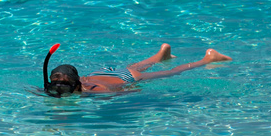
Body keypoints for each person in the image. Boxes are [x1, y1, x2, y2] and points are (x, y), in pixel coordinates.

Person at [41, 43, 232, 97]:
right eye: (57, 88)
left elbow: (116, 90)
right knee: (134, 65)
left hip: (124, 78)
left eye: (64, 89)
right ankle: (160, 55)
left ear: (77, 85)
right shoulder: (55, 87)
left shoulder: (95, 91)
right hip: (103, 71)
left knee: (170, 73)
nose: (59, 92)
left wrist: (130, 91)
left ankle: (208, 58)